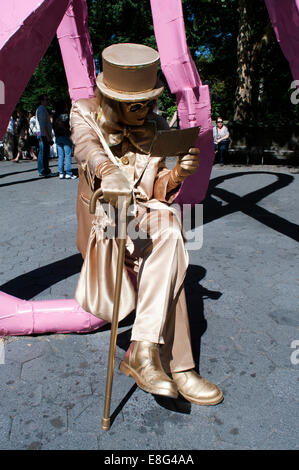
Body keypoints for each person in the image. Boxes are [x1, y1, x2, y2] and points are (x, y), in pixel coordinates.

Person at [70, 43, 223, 406]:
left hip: (144, 217)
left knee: (169, 232)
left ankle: (142, 349)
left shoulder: (156, 124)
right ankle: (181, 368)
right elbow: (85, 147)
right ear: (112, 100)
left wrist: (176, 175)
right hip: (106, 223)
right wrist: (108, 171)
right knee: (171, 259)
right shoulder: (85, 113)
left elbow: (156, 191)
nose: (144, 111)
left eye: (149, 102)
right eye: (134, 104)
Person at [54, 103, 77, 179]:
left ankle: (61, 172)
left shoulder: (55, 115)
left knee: (60, 155)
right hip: (66, 136)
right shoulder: (67, 115)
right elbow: (71, 125)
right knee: (68, 155)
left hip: (58, 136)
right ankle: (68, 173)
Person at [36, 94, 53, 176]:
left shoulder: (40, 109)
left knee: (42, 153)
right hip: (43, 135)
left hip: (41, 134)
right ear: (41, 101)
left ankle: (42, 170)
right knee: (44, 153)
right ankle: (44, 171)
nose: (48, 101)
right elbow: (43, 125)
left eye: (48, 99)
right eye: (46, 100)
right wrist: (48, 136)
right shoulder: (42, 109)